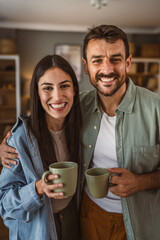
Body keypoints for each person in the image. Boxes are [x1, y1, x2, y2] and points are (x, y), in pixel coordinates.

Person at [1, 25, 160, 240]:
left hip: (141, 222)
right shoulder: (78, 108)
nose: (107, 69)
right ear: (86, 66)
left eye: (116, 59)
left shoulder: (155, 108)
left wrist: (142, 182)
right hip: (87, 216)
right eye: (97, 61)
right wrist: (10, 144)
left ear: (128, 63)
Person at [0, 54, 82, 240]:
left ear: (75, 90)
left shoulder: (79, 127)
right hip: (37, 228)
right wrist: (37, 188)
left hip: (72, 221)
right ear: (37, 93)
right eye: (47, 88)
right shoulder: (19, 138)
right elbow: (4, 204)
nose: (57, 96)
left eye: (64, 86)